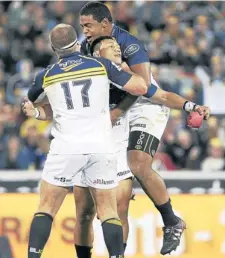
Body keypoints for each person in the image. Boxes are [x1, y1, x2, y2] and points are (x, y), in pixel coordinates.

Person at [79, 2, 211, 255]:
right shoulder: (88, 50)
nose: (84, 30)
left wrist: (190, 106)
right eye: (82, 25)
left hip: (143, 105)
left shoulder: (131, 49)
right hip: (114, 115)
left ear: (105, 24)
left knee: (138, 163)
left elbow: (152, 93)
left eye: (88, 25)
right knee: (120, 202)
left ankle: (171, 220)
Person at [22, 23, 147, 258]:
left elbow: (32, 101)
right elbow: (140, 87)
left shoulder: (46, 75)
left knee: (47, 207)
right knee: (108, 210)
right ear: (78, 43)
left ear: (53, 48)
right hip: (101, 146)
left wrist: (37, 111)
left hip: (66, 147)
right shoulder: (102, 65)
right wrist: (126, 71)